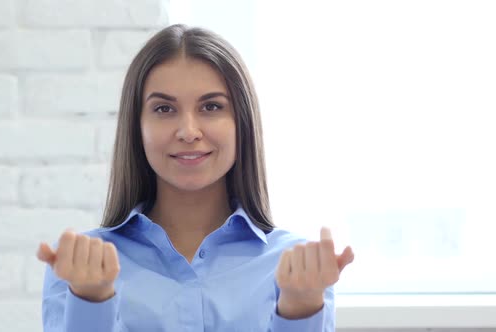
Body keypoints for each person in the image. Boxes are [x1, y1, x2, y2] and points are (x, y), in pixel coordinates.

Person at [37, 24, 354, 332]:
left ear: (241, 122)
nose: (188, 132)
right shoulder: (80, 268)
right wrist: (91, 302)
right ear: (137, 127)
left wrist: (300, 309)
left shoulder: (298, 269)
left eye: (211, 106)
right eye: (164, 109)